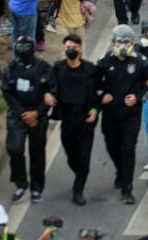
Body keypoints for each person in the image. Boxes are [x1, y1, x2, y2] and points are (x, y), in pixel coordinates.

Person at [97, 23, 148, 204]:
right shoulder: (105, 60)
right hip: (110, 113)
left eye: (126, 41)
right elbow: (94, 82)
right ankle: (120, 171)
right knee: (112, 146)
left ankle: (127, 188)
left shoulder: (140, 60)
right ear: (113, 43)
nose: (123, 45)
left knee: (127, 148)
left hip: (131, 115)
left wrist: (138, 97)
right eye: (119, 41)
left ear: (132, 42)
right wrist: (102, 95)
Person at [2, 35, 55, 204]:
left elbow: (51, 94)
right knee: (15, 148)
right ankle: (20, 184)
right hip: (18, 115)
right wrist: (22, 114)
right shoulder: (10, 69)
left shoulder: (44, 68)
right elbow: (7, 93)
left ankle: (37, 188)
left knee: (37, 153)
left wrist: (37, 113)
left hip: (37, 116)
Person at [52, 33, 100, 206]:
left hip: (85, 119)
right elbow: (50, 88)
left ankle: (78, 190)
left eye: (73, 48)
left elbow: (98, 95)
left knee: (84, 158)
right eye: (67, 48)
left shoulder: (90, 70)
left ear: (80, 48)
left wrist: (95, 110)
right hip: (67, 119)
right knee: (72, 156)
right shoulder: (58, 68)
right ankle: (80, 172)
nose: (70, 50)